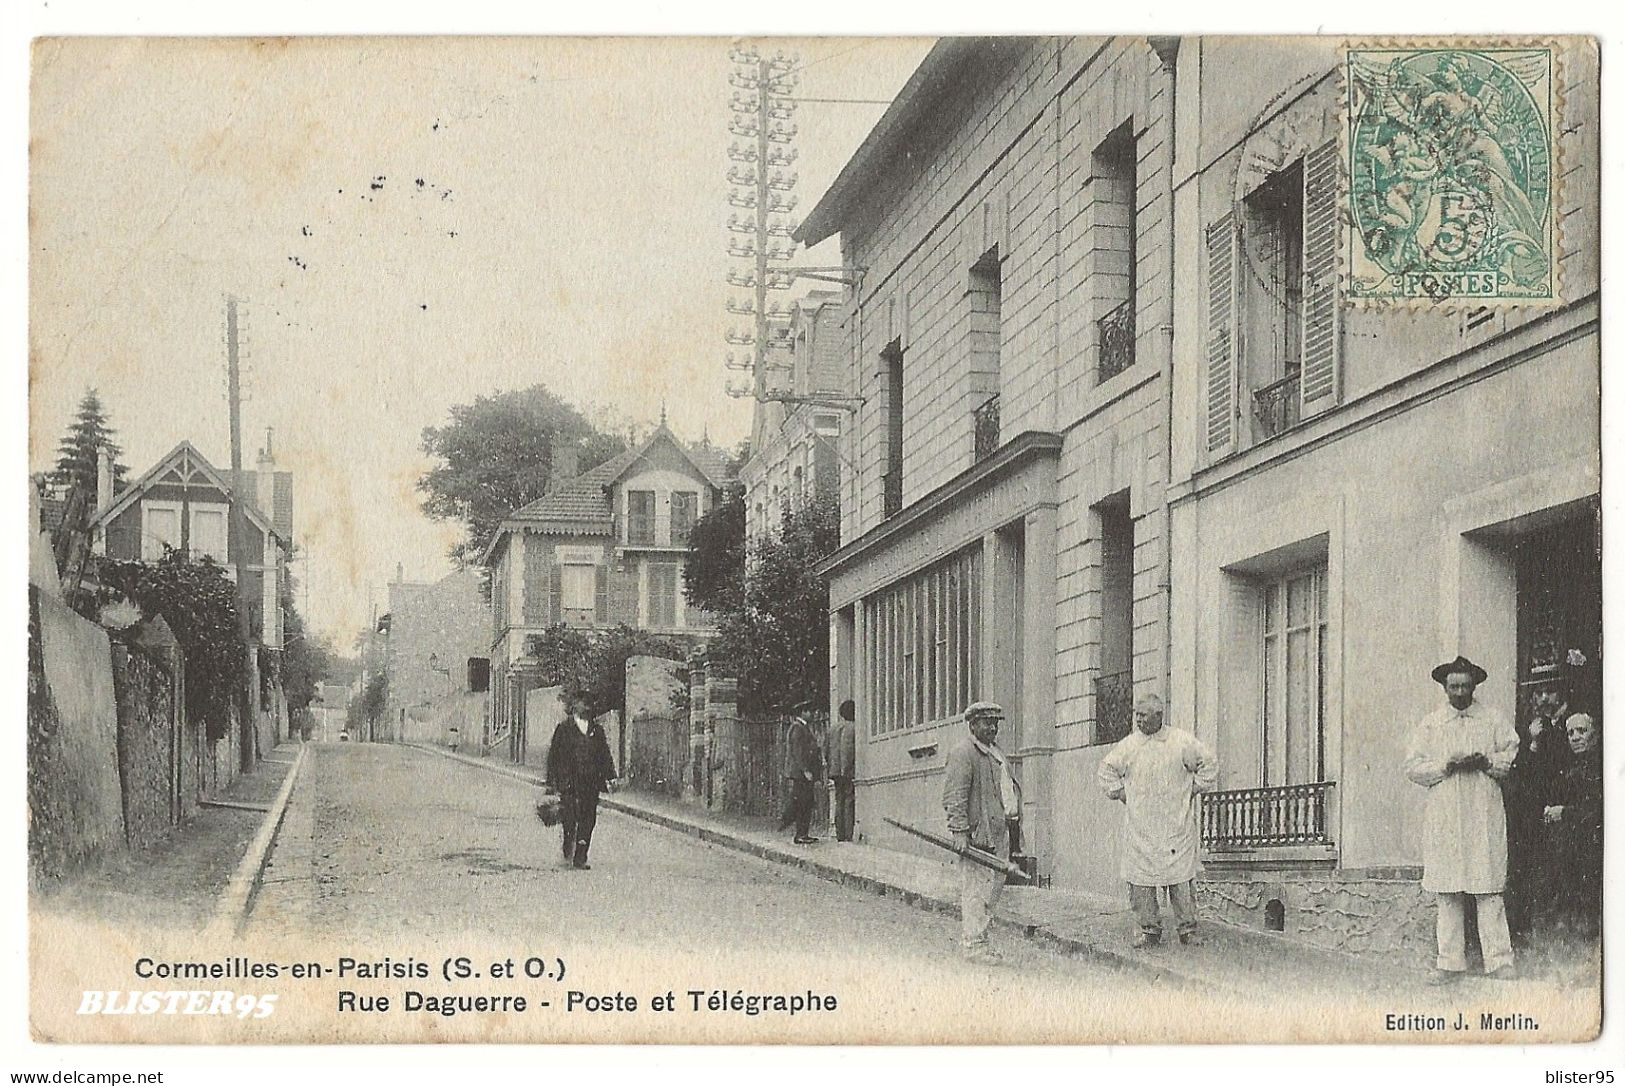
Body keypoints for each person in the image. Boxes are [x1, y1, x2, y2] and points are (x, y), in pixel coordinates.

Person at [1403, 655, 1520, 983]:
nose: (1459, 692)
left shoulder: (1492, 719)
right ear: (1444, 687)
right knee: (1449, 890)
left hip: (1483, 811)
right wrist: (1446, 766)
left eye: (1465, 686)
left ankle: (1499, 961)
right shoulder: (1432, 723)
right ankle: (1449, 962)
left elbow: (1511, 753)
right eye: (1453, 686)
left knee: (1488, 888)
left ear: (1474, 686)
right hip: (1447, 815)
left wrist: (1486, 761)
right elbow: (1412, 766)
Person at [1097, 694, 1217, 949]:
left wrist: (1191, 789)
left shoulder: (1181, 740)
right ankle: (1148, 930)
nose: (1138, 719)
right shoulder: (1129, 745)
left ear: (1159, 717)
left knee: (1180, 878)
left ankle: (1188, 929)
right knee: (1141, 880)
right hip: (1141, 826)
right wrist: (1120, 793)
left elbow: (1210, 764)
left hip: (1176, 825)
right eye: (1136, 714)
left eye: (1143, 715)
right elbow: (1106, 770)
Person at [942, 702, 1022, 963]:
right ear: (972, 724)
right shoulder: (964, 753)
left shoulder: (996, 753)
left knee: (992, 891)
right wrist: (959, 832)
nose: (992, 727)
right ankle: (973, 944)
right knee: (976, 890)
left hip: (1000, 833)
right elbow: (955, 795)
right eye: (986, 722)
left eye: (995, 722)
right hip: (978, 835)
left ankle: (981, 940)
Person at [1504, 683, 1572, 940]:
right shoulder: (1532, 727)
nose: (1544, 698)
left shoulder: (1571, 724)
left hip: (1565, 807)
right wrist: (1531, 741)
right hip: (1536, 812)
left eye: (1549, 691)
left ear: (1560, 693)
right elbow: (1521, 774)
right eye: (1538, 694)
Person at [1543, 712, 1602, 939]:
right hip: (1573, 846)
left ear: (1595, 733)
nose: (1576, 737)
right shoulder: (1572, 766)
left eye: (1582, 731)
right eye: (1570, 733)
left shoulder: (1601, 765)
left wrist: (1563, 813)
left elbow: (1598, 810)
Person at [544, 692, 617, 870]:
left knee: (588, 818)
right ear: (574, 705)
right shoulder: (564, 728)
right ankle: (568, 846)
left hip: (591, 782)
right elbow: (553, 755)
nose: (587, 707)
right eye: (583, 703)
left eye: (589, 703)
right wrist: (551, 782)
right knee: (569, 817)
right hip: (569, 782)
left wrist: (611, 776)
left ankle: (581, 857)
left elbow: (604, 754)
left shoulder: (596, 730)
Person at [780, 700, 824, 844]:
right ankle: (800, 833)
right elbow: (798, 752)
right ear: (803, 712)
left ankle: (800, 831)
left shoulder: (802, 727)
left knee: (804, 802)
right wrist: (805, 770)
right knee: (804, 803)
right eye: (810, 711)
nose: (813, 714)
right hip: (801, 773)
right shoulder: (798, 728)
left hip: (803, 772)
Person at [827, 699, 857, 842]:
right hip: (847, 770)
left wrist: (831, 766)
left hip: (834, 770)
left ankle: (839, 834)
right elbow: (848, 750)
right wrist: (847, 768)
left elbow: (826, 749)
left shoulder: (833, 728)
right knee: (848, 801)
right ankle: (848, 834)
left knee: (839, 801)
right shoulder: (853, 728)